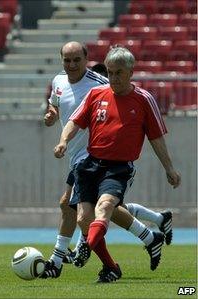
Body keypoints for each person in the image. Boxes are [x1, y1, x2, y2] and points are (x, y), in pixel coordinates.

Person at [41, 42, 174, 282]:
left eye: (118, 73)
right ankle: (149, 235)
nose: (112, 78)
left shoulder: (136, 96)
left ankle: (63, 257)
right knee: (85, 217)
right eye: (110, 73)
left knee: (99, 208)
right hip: (88, 163)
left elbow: (156, 136)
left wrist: (169, 168)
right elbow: (71, 118)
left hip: (117, 166)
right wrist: (61, 140)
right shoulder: (83, 89)